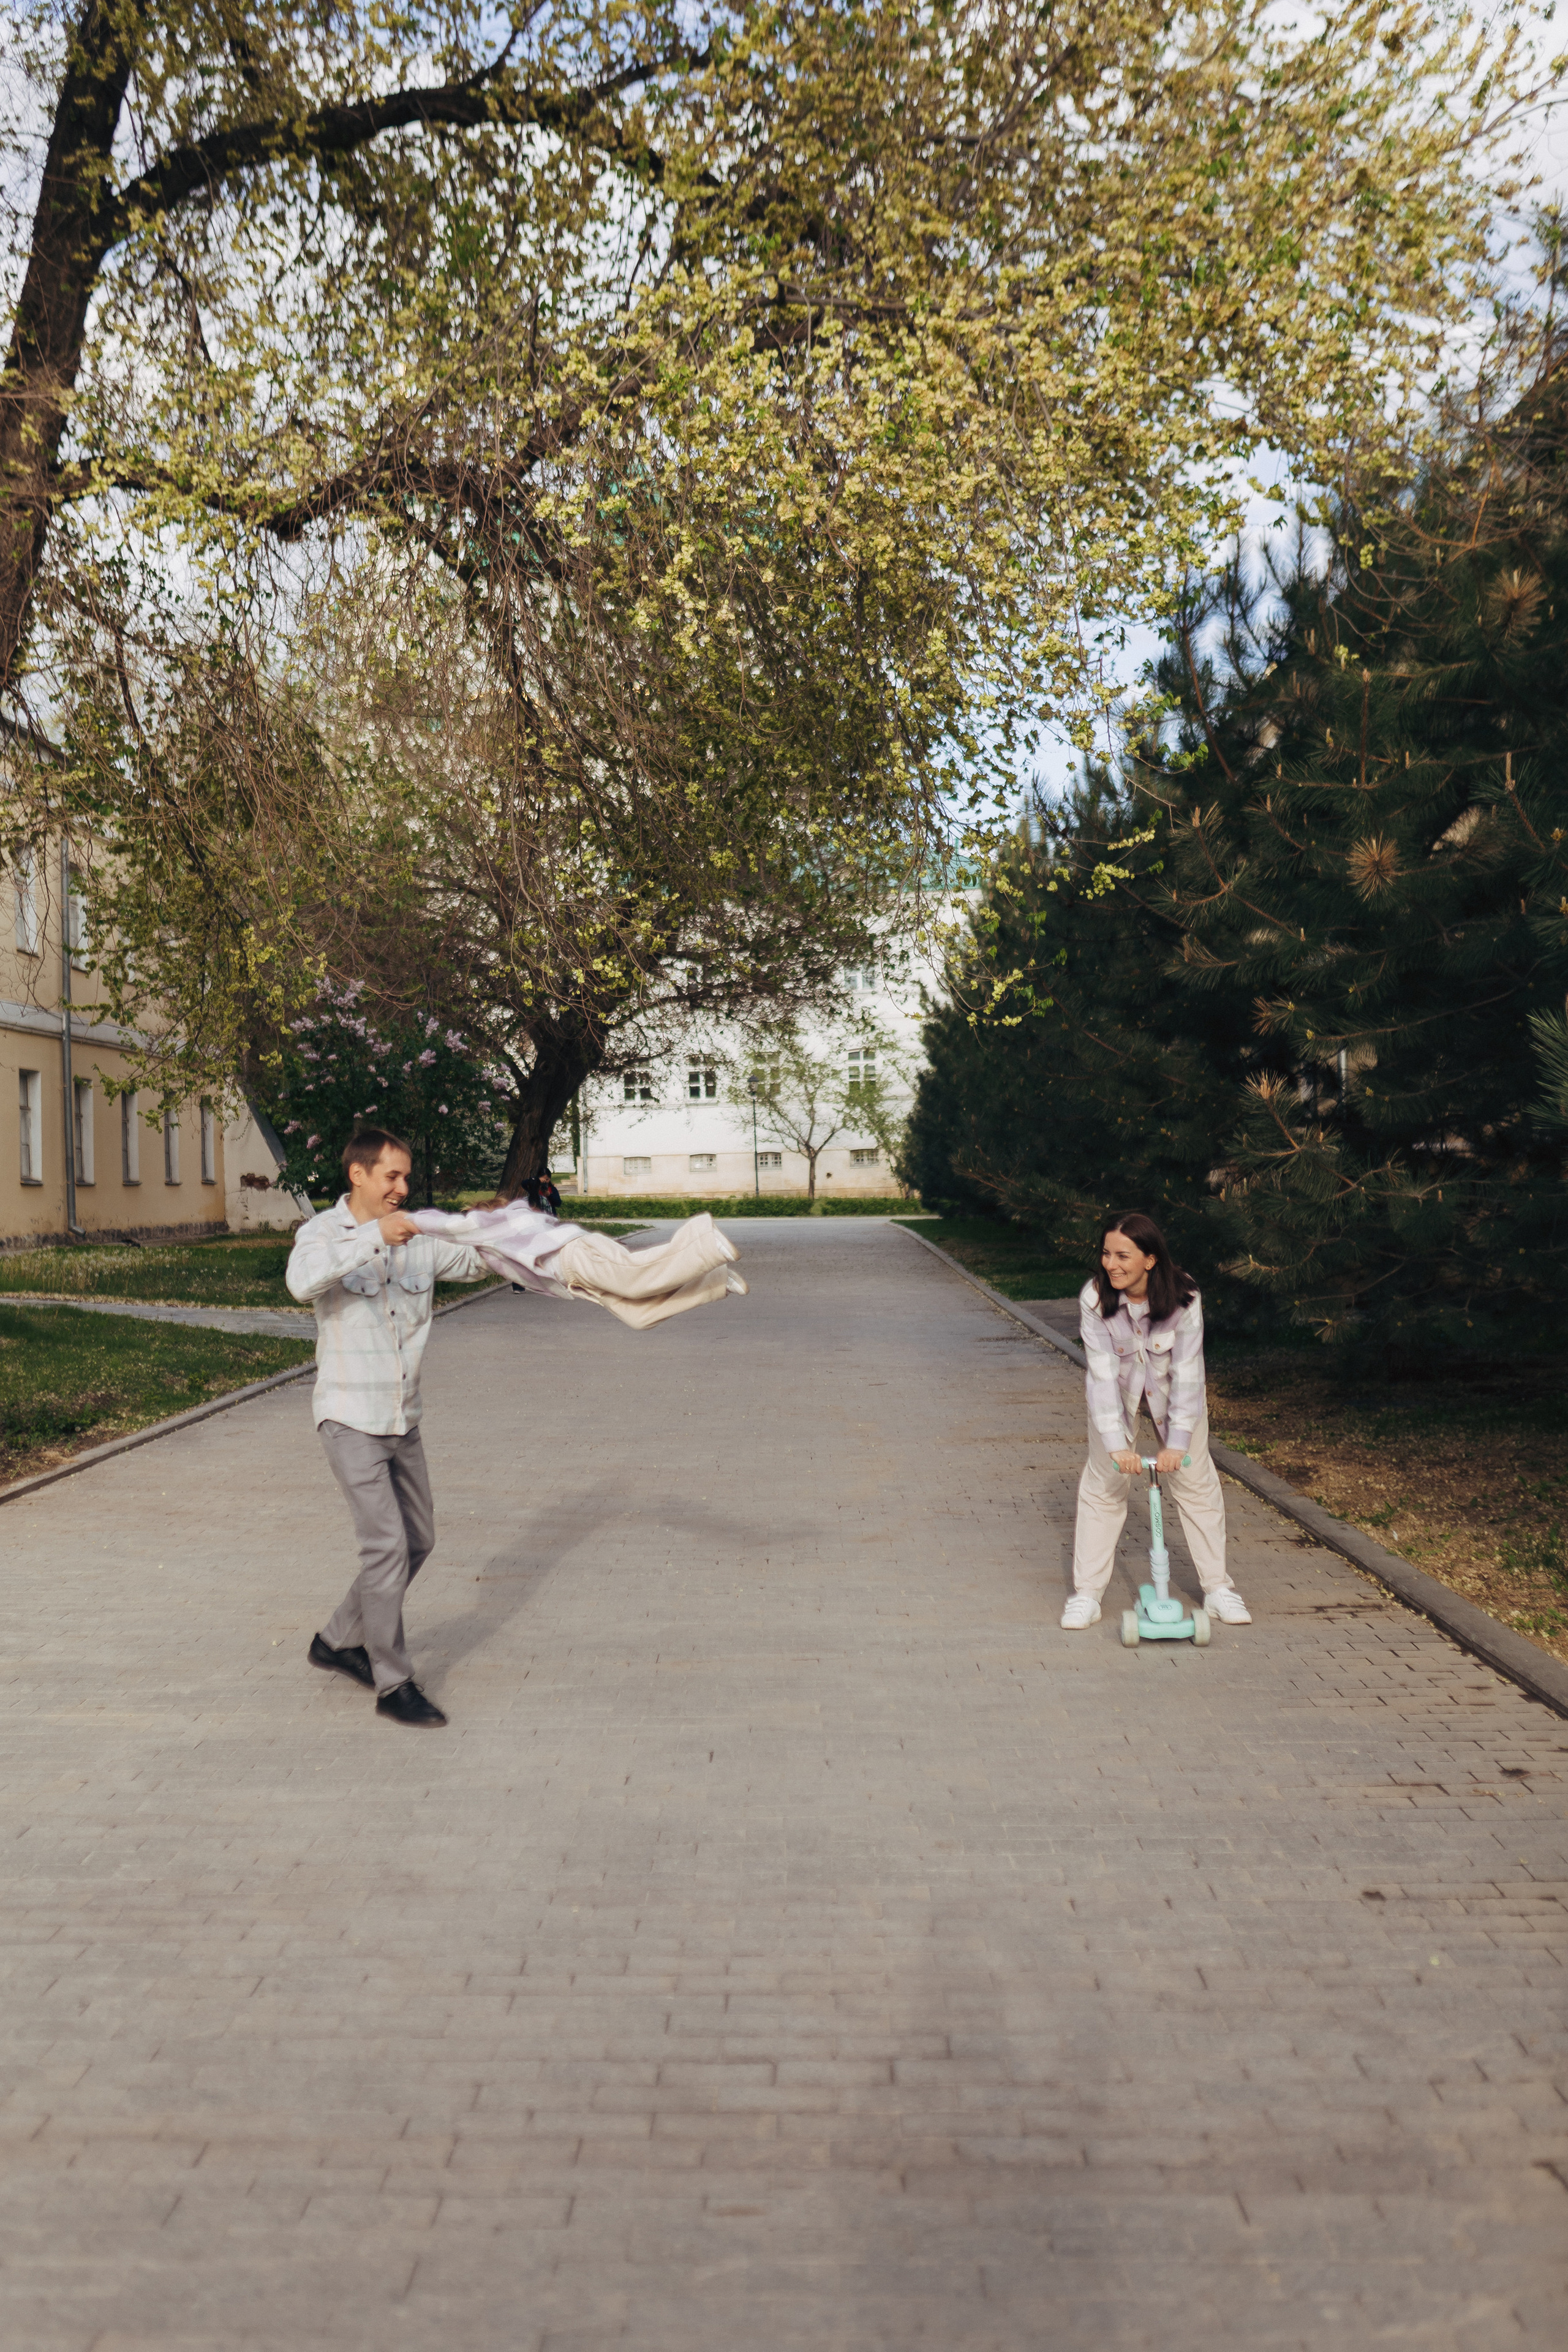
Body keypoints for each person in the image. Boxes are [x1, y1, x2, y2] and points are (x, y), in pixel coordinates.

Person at [287, 1126, 488, 1728]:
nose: (402, 1188)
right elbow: (301, 1282)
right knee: (386, 1548)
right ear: (359, 1174)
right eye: (391, 1176)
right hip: (349, 1417)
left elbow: (475, 1261)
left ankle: (337, 1641)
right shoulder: (322, 1233)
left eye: (406, 1177)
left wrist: (509, 1232)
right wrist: (375, 1235)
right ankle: (392, 1681)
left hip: (403, 1418)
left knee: (417, 1541)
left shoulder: (417, 1237)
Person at [1060, 1211, 1251, 1631]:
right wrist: (1116, 1446)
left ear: (1150, 1260)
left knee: (1197, 1484)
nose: (1111, 1264)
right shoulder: (1095, 1298)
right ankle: (1087, 1594)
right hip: (1117, 1398)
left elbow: (1188, 1372)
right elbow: (1101, 1376)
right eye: (1106, 1254)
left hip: (1175, 1396)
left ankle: (1217, 1589)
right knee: (1104, 1486)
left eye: (1123, 1256)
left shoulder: (1185, 1296)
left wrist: (1178, 1444)